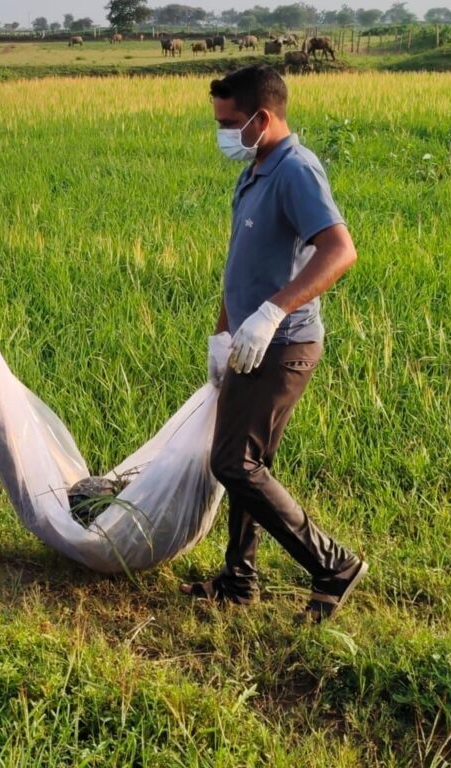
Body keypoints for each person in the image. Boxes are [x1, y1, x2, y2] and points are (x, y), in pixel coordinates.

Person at [180, 65, 368, 623]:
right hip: (249, 342)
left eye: (230, 123)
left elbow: (340, 250)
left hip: (284, 343)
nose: (223, 134)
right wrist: (223, 330)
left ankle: (332, 564)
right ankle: (239, 582)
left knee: (233, 463)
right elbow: (242, 262)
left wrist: (269, 313)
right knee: (248, 461)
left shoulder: (296, 170)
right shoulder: (256, 169)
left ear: (263, 118)